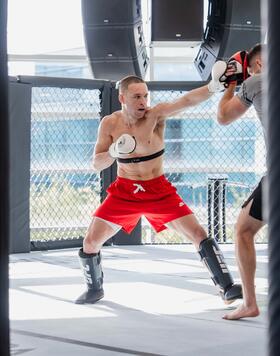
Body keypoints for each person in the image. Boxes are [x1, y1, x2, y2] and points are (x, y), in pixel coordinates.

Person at [75, 68, 243, 306]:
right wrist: (113, 152)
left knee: (198, 234)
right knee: (90, 243)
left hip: (159, 190)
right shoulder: (110, 124)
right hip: (126, 191)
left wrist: (212, 87)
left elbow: (186, 101)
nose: (143, 102)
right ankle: (94, 288)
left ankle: (226, 287)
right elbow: (96, 163)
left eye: (145, 96)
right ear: (122, 98)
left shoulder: (156, 115)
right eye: (136, 97)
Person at [217, 43, 265, 320]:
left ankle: (249, 303)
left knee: (243, 231)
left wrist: (232, 84)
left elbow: (224, 117)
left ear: (257, 66)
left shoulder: (256, 81)